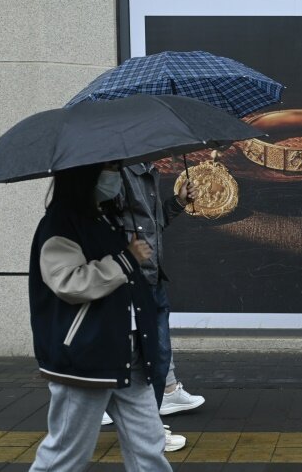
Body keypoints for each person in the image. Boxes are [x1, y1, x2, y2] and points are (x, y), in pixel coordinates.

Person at [29, 162, 172, 471]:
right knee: (65, 455)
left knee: (149, 446)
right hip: (86, 356)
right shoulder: (60, 223)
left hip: (129, 351)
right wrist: (125, 260)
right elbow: (69, 282)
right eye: (109, 167)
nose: (116, 174)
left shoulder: (106, 217)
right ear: (84, 174)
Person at [99, 162, 205, 446]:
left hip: (153, 279)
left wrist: (180, 201)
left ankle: (149, 426)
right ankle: (144, 429)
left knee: (157, 359)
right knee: (140, 360)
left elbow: (154, 223)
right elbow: (105, 225)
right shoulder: (119, 175)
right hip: (133, 282)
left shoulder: (148, 172)